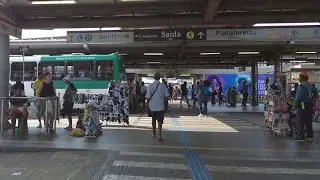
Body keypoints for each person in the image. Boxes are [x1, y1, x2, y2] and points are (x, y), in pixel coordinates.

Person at [293, 72, 318, 141]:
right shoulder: (310, 86)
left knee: (300, 121)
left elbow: (298, 98)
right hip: (310, 106)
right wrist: (311, 99)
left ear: (303, 77)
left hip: (302, 105)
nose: (299, 78)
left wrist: (294, 106)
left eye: (300, 76)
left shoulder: (301, 86)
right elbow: (316, 94)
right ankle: (310, 136)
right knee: (308, 121)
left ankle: (301, 136)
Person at [146, 72, 169, 141]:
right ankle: (160, 135)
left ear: (154, 77)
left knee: (153, 119)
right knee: (160, 121)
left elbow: (147, 97)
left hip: (152, 106)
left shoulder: (150, 86)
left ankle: (154, 133)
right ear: (159, 78)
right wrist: (166, 106)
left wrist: (147, 106)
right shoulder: (163, 86)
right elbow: (166, 97)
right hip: (160, 106)